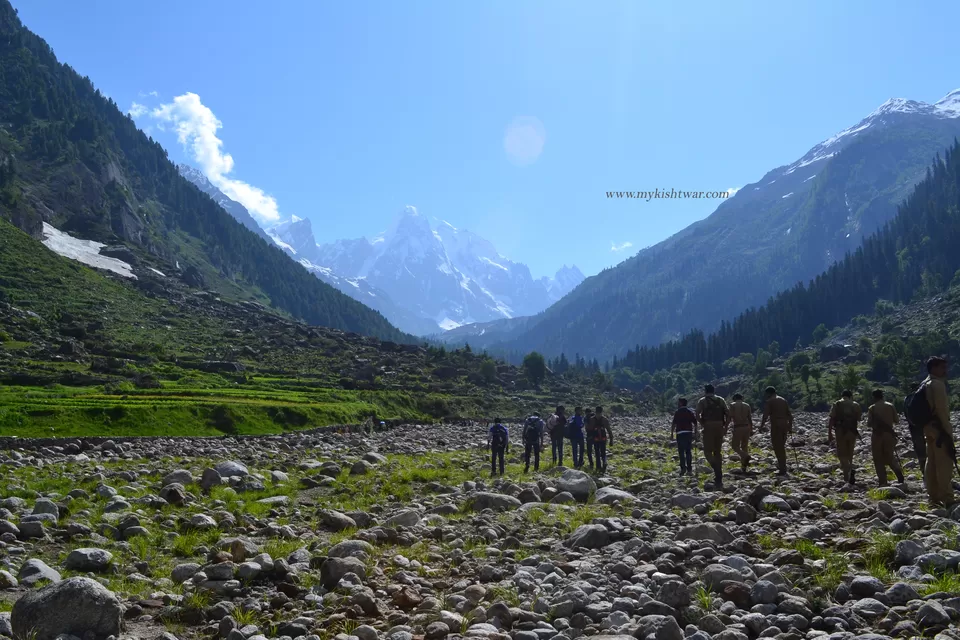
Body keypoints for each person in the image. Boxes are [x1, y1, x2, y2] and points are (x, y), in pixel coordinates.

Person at [922, 356, 954, 506]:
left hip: (927, 428)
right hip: (939, 428)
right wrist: (948, 432)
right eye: (942, 367)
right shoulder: (937, 385)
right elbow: (941, 410)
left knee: (932, 461)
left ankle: (933, 496)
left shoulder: (924, 383)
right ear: (934, 368)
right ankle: (947, 497)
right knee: (944, 462)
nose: (945, 371)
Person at [866, 389, 904, 486]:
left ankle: (883, 481)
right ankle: (898, 472)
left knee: (878, 458)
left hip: (877, 435)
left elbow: (869, 424)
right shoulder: (890, 406)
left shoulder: (872, 408)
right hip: (889, 434)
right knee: (889, 456)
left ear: (874, 397)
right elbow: (896, 420)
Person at [696, 384, 729, 488]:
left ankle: (716, 470)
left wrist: (702, 423)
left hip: (708, 426)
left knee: (707, 451)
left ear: (705, 391)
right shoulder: (720, 400)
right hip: (719, 426)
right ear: (714, 391)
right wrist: (725, 427)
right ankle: (719, 473)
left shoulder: (702, 401)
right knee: (717, 451)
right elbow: (728, 414)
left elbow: (697, 414)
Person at [828, 389, 862, 485]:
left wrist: (829, 433)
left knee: (841, 453)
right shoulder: (855, 404)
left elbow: (832, 419)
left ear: (842, 395)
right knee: (850, 452)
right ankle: (850, 469)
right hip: (852, 431)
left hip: (840, 431)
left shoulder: (837, 404)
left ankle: (846, 475)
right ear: (851, 396)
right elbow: (859, 418)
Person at [760, 387, 793, 476]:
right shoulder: (783, 400)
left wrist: (761, 426)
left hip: (776, 425)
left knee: (778, 447)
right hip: (784, 425)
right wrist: (790, 427)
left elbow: (765, 415)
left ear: (768, 393)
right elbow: (790, 415)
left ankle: (782, 469)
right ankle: (783, 466)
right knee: (782, 446)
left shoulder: (770, 401)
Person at [671, 398, 698, 476]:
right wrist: (696, 432)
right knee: (688, 451)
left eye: (678, 403)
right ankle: (689, 469)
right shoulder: (690, 412)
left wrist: (672, 434)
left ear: (681, 403)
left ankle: (683, 468)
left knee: (681, 451)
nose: (677, 404)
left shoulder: (677, 412)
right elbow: (695, 422)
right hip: (688, 433)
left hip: (680, 433)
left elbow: (674, 424)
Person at [727, 393, 753, 473]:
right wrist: (751, 429)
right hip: (746, 427)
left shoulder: (732, 405)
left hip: (738, 427)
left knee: (735, 446)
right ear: (742, 398)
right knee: (744, 446)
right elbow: (750, 418)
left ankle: (745, 456)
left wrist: (725, 427)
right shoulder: (747, 405)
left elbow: (729, 417)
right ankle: (744, 466)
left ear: (734, 399)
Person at [589, 406, 614, 474]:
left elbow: (590, 429)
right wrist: (611, 439)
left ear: (595, 411)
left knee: (597, 453)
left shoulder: (592, 419)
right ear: (602, 411)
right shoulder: (604, 419)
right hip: (603, 438)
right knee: (603, 452)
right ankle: (604, 462)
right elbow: (609, 430)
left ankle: (598, 467)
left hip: (596, 438)